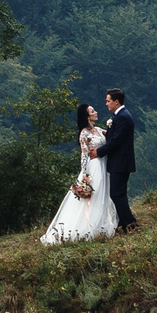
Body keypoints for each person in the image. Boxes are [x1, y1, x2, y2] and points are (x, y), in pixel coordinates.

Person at [40, 102, 119, 244]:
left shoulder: (99, 130)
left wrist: (113, 124)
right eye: (92, 111)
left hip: (103, 164)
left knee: (103, 194)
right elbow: (84, 154)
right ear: (87, 116)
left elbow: (112, 139)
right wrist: (84, 173)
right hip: (94, 166)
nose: (96, 112)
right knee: (94, 195)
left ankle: (101, 223)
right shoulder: (84, 133)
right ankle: (89, 227)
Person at [100, 88, 140, 231]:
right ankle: (123, 224)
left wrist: (98, 152)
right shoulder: (120, 116)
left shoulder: (122, 116)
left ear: (116, 102)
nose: (106, 104)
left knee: (116, 194)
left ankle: (130, 223)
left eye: (108, 101)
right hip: (120, 162)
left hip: (121, 162)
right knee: (119, 193)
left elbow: (116, 141)